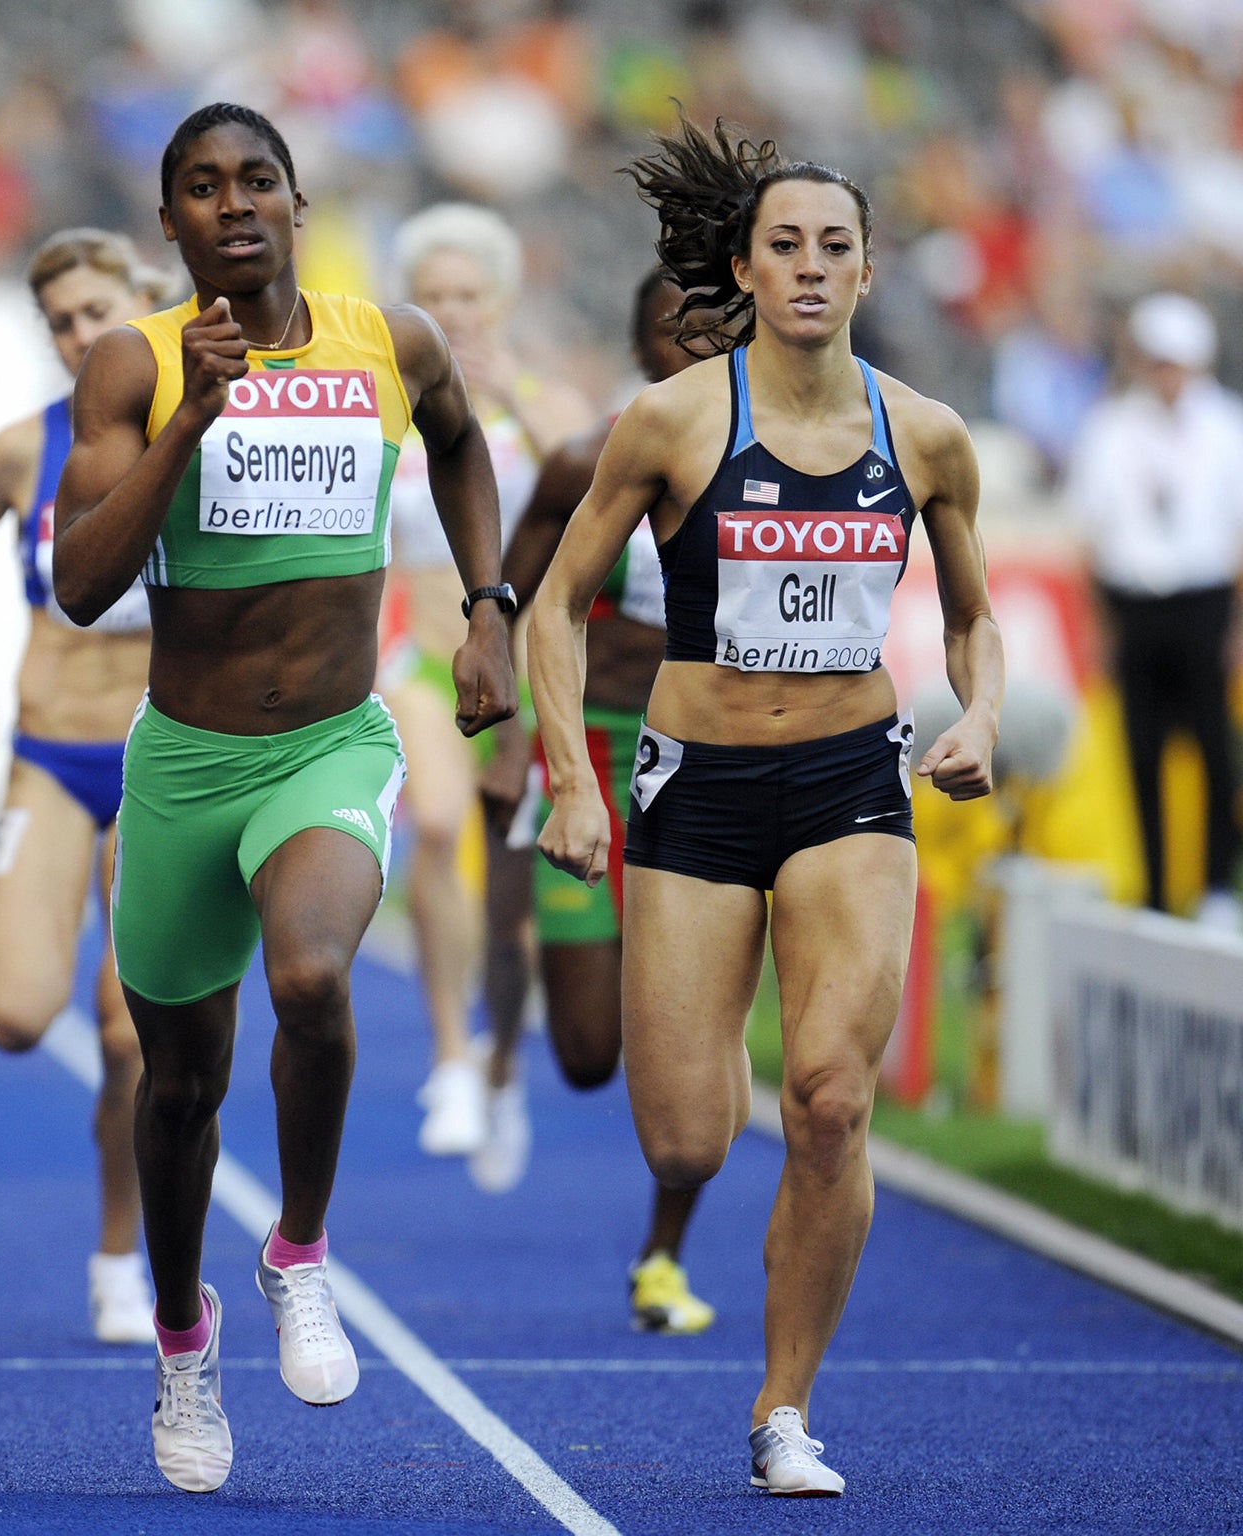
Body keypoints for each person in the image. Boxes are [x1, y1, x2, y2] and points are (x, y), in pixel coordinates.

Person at [527, 118, 1002, 1496]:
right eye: (783, 244)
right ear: (742, 263)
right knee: (686, 1132)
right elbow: (558, 606)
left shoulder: (927, 436)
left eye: (833, 246)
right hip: (696, 785)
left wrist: (975, 714)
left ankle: (784, 1408)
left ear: (866, 269)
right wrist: (570, 777)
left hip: (854, 784)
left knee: (831, 1101)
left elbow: (974, 625)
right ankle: (736, 1159)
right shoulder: (675, 419)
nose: (808, 266)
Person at [53, 103, 515, 1494]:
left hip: (330, 743)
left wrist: (488, 609)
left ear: (298, 201)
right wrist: (189, 417)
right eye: (202, 187)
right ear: (173, 226)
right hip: (187, 764)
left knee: (314, 977)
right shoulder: (131, 366)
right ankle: (184, 1344)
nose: (234, 202)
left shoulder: (389, 340)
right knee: (180, 1083)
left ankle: (299, 1253)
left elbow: (461, 444)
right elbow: (80, 584)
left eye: (257, 178)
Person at [0, 228, 170, 1344]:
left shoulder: (197, 436)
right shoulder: (24, 451)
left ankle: (121, 1254)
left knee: (127, 1040)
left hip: (165, 762)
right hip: (51, 757)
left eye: (94, 310)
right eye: (58, 320)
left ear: (142, 303)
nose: (77, 335)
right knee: (14, 1014)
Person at [473, 270, 717, 1337]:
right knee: (586, 1055)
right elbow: (510, 609)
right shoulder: (588, 461)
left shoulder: (785, 463)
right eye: (674, 328)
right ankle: (510, 1020)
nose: (696, 346)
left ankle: (662, 1254)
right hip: (600, 754)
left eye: (717, 328)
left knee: (690, 1034)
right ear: (637, 344)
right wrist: (516, 742)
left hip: (716, 766)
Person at [377, 202, 579, 1158]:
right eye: (434, 296)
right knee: (444, 828)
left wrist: (523, 402)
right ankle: (451, 1057)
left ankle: (502, 1063)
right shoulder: (389, 406)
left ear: (499, 299)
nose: (452, 311)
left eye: (467, 294)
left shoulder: (544, 402)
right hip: (423, 657)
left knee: (516, 894)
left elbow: (604, 483)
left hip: (532, 671)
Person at [1064, 292, 1243, 922]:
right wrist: (1100, 627)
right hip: (1135, 603)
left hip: (1203, 601)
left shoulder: (1226, 429)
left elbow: (1236, 537)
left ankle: (1217, 883)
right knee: (1140, 752)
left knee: (1215, 749)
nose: (1167, 375)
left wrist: (1236, 628)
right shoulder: (1110, 428)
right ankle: (1157, 888)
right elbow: (1090, 536)